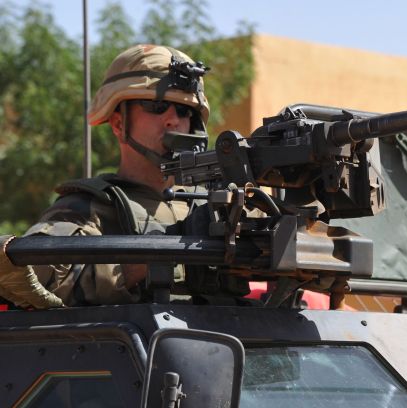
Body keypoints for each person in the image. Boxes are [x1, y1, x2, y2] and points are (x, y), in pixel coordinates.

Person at [0, 44, 243, 308]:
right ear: (118, 124)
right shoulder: (86, 209)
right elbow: (35, 283)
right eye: (158, 106)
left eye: (184, 111)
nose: (173, 119)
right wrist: (157, 254)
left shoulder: (218, 205)